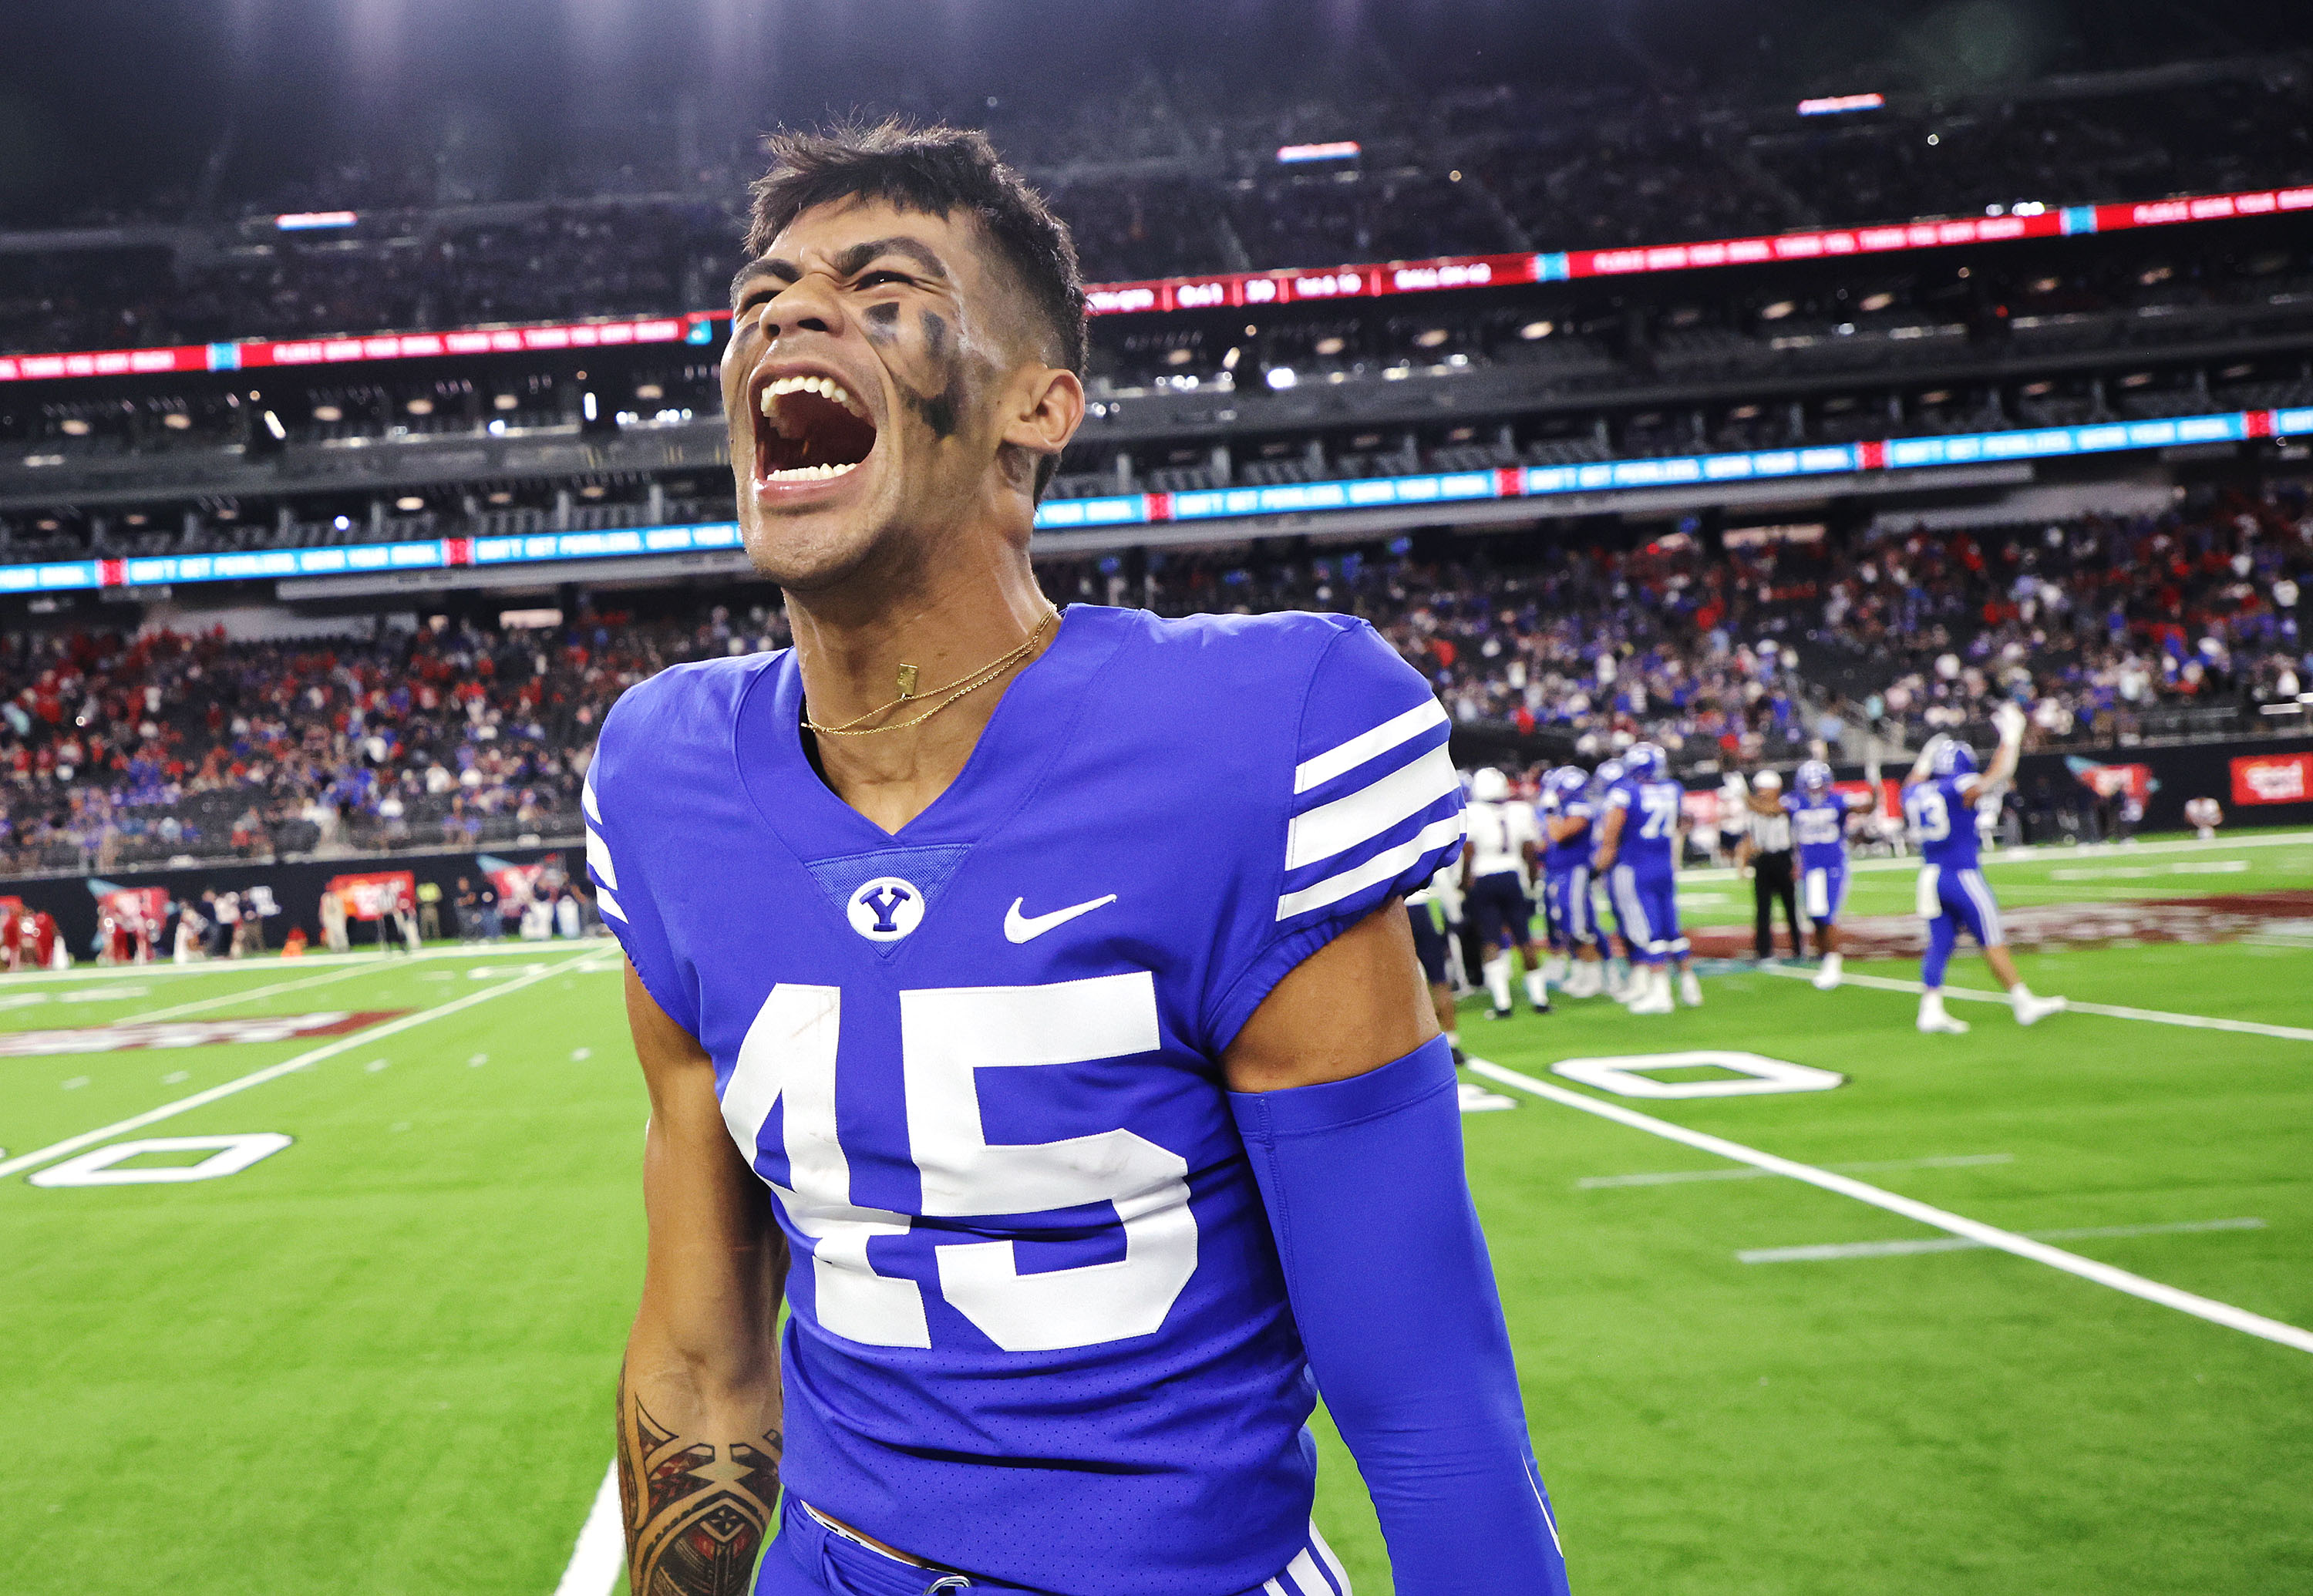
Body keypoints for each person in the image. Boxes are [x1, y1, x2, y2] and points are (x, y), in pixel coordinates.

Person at [587, 123, 1564, 1596]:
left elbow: (1426, 1401)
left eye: (879, 285)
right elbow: (706, 1365)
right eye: (763, 295)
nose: (787, 315)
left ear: (1039, 408)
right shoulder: (663, 774)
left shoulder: (1249, 742)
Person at [1901, 708, 2069, 1034]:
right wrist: (2012, 736)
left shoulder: (1916, 792)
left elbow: (1913, 780)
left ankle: (1930, 1009)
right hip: (1961, 875)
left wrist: (1924, 758)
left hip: (1930, 876)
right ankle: (2023, 1003)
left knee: (1940, 943)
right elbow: (1998, 773)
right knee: (1991, 938)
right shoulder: (1957, 788)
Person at [1594, 741, 1701, 1013]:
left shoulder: (1625, 792)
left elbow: (1611, 834)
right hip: (1664, 864)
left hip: (1637, 867)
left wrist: (1599, 866)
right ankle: (1689, 985)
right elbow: (1682, 821)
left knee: (1650, 932)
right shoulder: (1672, 789)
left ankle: (1661, 994)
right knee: (1670, 928)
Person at [1460, 766, 1551, 1019]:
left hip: (1484, 877)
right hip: (1512, 875)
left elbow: (1468, 853)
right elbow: (1529, 852)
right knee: (1524, 938)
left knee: (1490, 940)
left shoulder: (1472, 812)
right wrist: (1532, 883)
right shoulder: (1520, 810)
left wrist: (1464, 884)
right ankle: (1540, 999)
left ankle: (1502, 1004)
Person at [1788, 759, 1874, 990]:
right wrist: (1745, 795)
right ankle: (1825, 958)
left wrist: (1875, 790)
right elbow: (1768, 810)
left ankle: (1833, 962)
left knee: (1828, 916)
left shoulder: (1839, 799)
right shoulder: (1796, 802)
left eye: (1818, 786)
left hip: (1833, 866)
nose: (1815, 791)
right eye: (1810, 786)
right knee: (1815, 915)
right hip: (1810, 868)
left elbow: (1866, 808)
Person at [1540, 764, 1606, 997]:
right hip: (1561, 873)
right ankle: (1581, 973)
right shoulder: (1567, 808)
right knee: (1565, 925)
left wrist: (1548, 813)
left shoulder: (1580, 809)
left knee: (1579, 926)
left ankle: (1595, 976)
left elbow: (1558, 834)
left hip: (1575, 873)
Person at [1737, 769, 1801, 964]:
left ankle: (1799, 948)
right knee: (1763, 909)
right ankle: (1763, 951)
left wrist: (1744, 795)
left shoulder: (1787, 803)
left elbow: (1771, 811)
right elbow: (1749, 837)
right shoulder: (1755, 811)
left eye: (1764, 789)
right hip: (1763, 860)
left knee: (1790, 907)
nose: (1761, 792)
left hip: (1783, 859)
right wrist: (1742, 862)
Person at [1405, 864, 1464, 1060]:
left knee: (1401, 985)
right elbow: (1444, 882)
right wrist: (1454, 917)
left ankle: (1414, 1046)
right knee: (1439, 980)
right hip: (1425, 908)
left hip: (1396, 911)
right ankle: (1452, 1041)